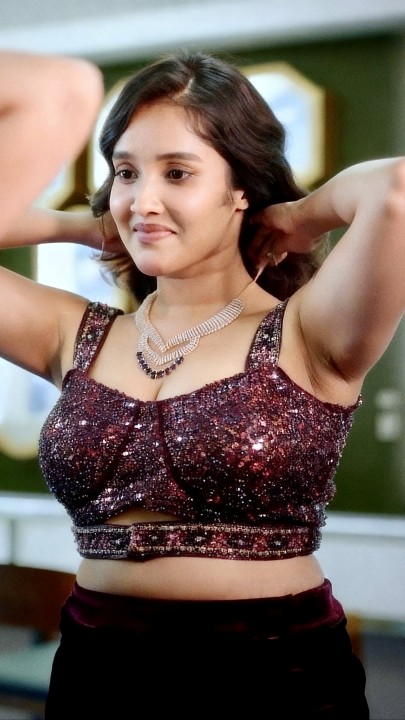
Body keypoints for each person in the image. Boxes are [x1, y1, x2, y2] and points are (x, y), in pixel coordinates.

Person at [1, 49, 404, 719]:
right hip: (97, 675)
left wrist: (303, 215)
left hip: (274, 677)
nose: (143, 200)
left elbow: (395, 189)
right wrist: (80, 226)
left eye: (178, 172)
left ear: (240, 187)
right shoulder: (71, 333)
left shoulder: (308, 333)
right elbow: (57, 92)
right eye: (126, 173)